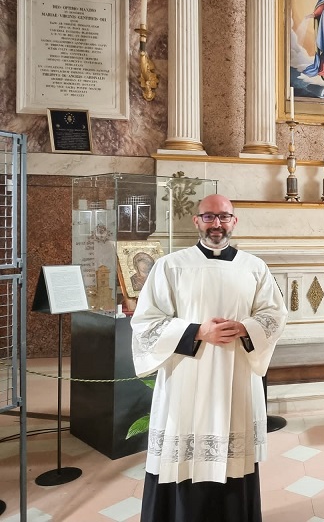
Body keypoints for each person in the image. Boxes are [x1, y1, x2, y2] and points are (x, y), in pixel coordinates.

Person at [130, 194, 287, 522]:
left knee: (234, 461)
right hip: (186, 377)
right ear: (196, 221)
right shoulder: (171, 266)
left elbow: (274, 315)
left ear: (234, 221)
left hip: (237, 378)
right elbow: (146, 322)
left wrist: (245, 327)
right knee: (184, 457)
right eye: (209, 217)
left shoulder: (254, 267)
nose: (217, 224)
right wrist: (198, 332)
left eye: (224, 217)